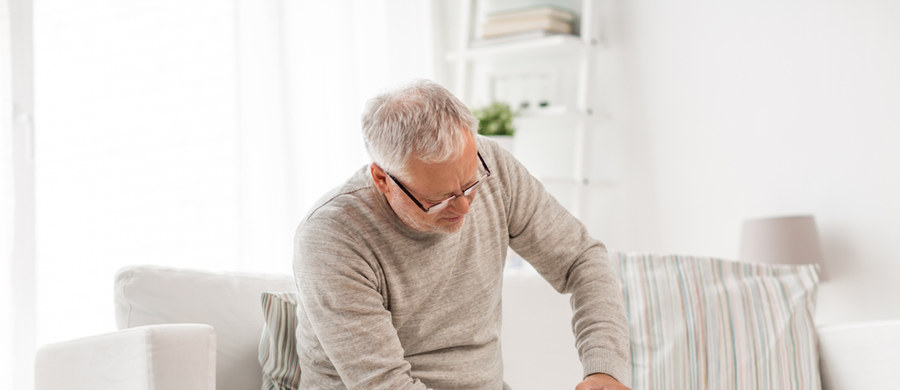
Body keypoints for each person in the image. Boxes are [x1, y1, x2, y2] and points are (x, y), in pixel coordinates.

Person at [293, 79, 630, 390]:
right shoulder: (331, 238)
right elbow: (384, 384)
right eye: (438, 200)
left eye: (471, 185)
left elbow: (582, 259)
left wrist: (604, 369)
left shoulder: (492, 164)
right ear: (382, 179)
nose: (465, 208)